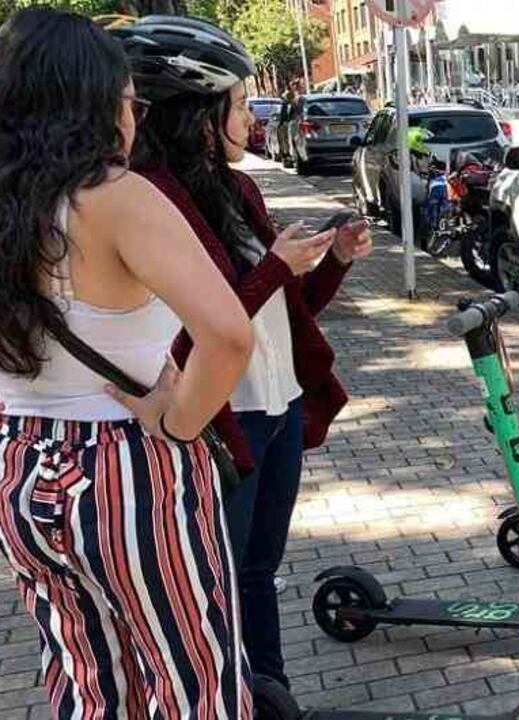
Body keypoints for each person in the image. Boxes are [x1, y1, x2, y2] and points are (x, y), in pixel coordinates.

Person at [0, 8, 255, 717]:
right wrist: (178, 425)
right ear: (95, 101)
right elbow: (229, 336)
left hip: (20, 467)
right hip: (127, 468)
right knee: (191, 682)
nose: (133, 116)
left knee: (89, 684)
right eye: (127, 99)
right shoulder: (117, 199)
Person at [111, 15, 373, 690]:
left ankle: (271, 692)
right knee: (217, 576)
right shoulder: (152, 203)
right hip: (226, 419)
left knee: (257, 569)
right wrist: (277, 267)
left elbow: (285, 313)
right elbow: (195, 330)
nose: (251, 120)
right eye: (237, 104)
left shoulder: (238, 190)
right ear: (198, 114)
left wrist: (333, 261)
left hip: (278, 406)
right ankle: (230, 693)